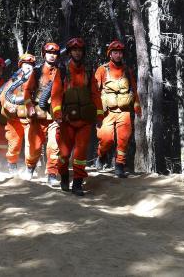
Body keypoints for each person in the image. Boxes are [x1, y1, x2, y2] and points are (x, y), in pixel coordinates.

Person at [57, 37, 101, 196]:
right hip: (67, 120)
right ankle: (63, 176)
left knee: (80, 154)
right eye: (74, 50)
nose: (77, 52)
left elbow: (95, 93)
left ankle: (77, 183)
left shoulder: (88, 70)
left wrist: (99, 114)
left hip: (84, 120)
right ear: (69, 52)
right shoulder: (62, 70)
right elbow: (56, 93)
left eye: (80, 50)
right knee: (63, 154)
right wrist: (57, 112)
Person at [92, 40, 142, 178]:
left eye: (120, 53)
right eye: (115, 52)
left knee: (123, 139)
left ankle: (120, 165)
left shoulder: (127, 70)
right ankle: (101, 155)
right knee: (106, 139)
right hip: (107, 111)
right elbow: (94, 91)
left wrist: (137, 105)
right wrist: (96, 110)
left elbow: (134, 89)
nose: (118, 55)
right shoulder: (102, 70)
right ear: (110, 54)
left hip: (124, 111)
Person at [22, 42, 64, 185]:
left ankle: (52, 173)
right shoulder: (37, 71)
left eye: (55, 53)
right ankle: (30, 167)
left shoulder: (62, 71)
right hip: (38, 115)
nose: (52, 56)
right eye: (49, 53)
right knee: (34, 147)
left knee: (54, 146)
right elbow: (27, 91)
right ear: (44, 54)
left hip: (54, 116)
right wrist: (29, 106)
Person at [0, 53, 36, 174]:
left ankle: (30, 168)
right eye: (26, 64)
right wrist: (9, 106)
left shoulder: (37, 79)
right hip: (14, 119)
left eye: (31, 64)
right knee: (14, 143)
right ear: (21, 66)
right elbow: (3, 96)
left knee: (32, 144)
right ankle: (12, 164)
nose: (28, 66)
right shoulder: (14, 80)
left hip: (30, 118)